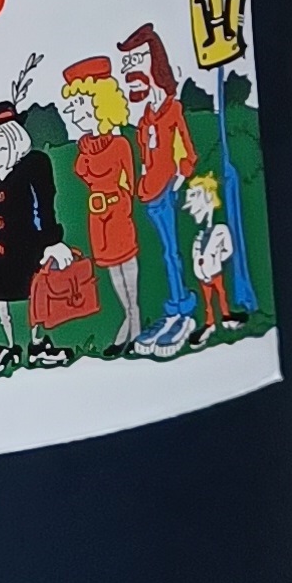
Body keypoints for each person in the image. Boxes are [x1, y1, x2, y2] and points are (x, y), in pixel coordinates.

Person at [0, 94, 77, 378]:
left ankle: (37, 343)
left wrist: (51, 241)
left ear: (10, 138)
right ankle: (8, 346)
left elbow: (44, 205)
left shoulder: (35, 166)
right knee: (0, 300)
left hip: (27, 247)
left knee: (36, 296)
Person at [119, 23, 200, 359]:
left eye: (135, 61)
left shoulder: (171, 111)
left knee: (171, 251)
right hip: (149, 192)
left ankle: (182, 310)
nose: (130, 73)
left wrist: (178, 179)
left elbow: (186, 151)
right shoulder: (146, 118)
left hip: (165, 190)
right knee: (162, 251)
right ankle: (172, 308)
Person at [60, 56, 142, 355]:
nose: (73, 112)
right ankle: (128, 316)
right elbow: (82, 172)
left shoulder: (119, 144)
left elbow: (129, 181)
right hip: (96, 216)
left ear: (100, 103)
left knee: (127, 263)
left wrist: (121, 207)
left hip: (117, 210)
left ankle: (134, 318)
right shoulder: (84, 147)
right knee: (112, 270)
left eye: (79, 104)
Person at [183, 174, 242, 339]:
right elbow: (195, 253)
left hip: (215, 270)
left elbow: (228, 249)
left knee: (221, 292)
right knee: (207, 298)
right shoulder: (199, 235)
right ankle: (210, 322)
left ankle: (226, 316)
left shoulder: (220, 229)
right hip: (202, 274)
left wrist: (216, 260)